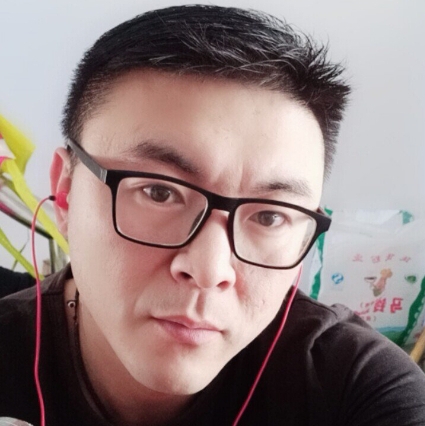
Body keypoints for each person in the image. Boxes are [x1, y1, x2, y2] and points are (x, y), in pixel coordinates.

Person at [1, 4, 424, 426]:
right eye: (160, 192)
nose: (209, 271)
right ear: (66, 194)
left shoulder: (358, 385)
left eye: (269, 217)